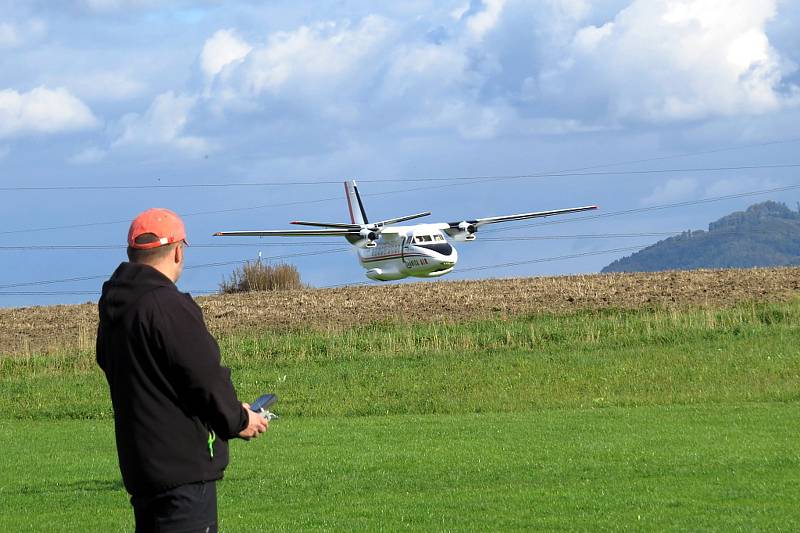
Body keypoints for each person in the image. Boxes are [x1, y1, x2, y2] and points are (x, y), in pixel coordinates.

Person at [96, 208, 268, 533]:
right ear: (178, 251)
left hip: (143, 470)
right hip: (183, 477)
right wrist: (240, 419)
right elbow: (204, 377)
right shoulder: (167, 306)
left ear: (132, 253)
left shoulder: (114, 310)